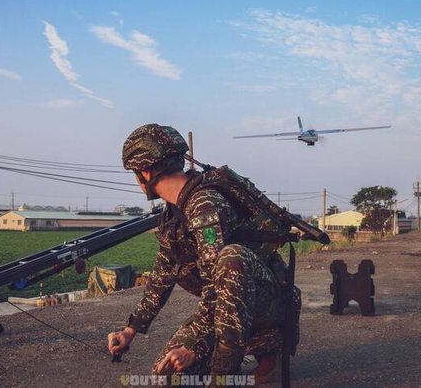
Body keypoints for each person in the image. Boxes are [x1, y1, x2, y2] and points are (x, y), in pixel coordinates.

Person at [107, 124, 299, 382]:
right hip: (226, 309)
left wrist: (195, 348)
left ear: (146, 172)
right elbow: (162, 275)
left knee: (231, 258)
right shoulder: (173, 214)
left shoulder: (204, 205)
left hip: (263, 303)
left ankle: (242, 362)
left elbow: (220, 286)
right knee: (166, 378)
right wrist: (130, 331)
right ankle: (229, 354)